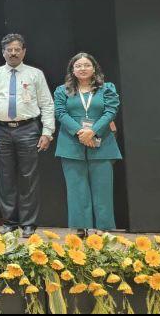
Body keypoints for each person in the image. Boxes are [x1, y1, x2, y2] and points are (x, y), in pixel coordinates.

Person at [0, 34, 55, 238]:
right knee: (4, 178)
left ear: (24, 51)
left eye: (17, 49)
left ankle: (28, 224)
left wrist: (47, 132)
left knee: (28, 178)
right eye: (9, 50)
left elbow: (47, 104)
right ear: (3, 52)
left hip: (28, 128)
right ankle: (10, 223)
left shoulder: (35, 74)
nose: (13, 53)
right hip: (0, 130)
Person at [53, 53, 121, 236]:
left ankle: (102, 228)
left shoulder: (107, 89)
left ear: (94, 68)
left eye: (86, 65)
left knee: (102, 187)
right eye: (78, 66)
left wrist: (93, 131)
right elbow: (60, 113)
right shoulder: (62, 90)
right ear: (72, 70)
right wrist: (80, 132)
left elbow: (111, 111)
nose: (82, 68)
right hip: (71, 143)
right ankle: (80, 227)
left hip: (102, 142)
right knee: (76, 187)